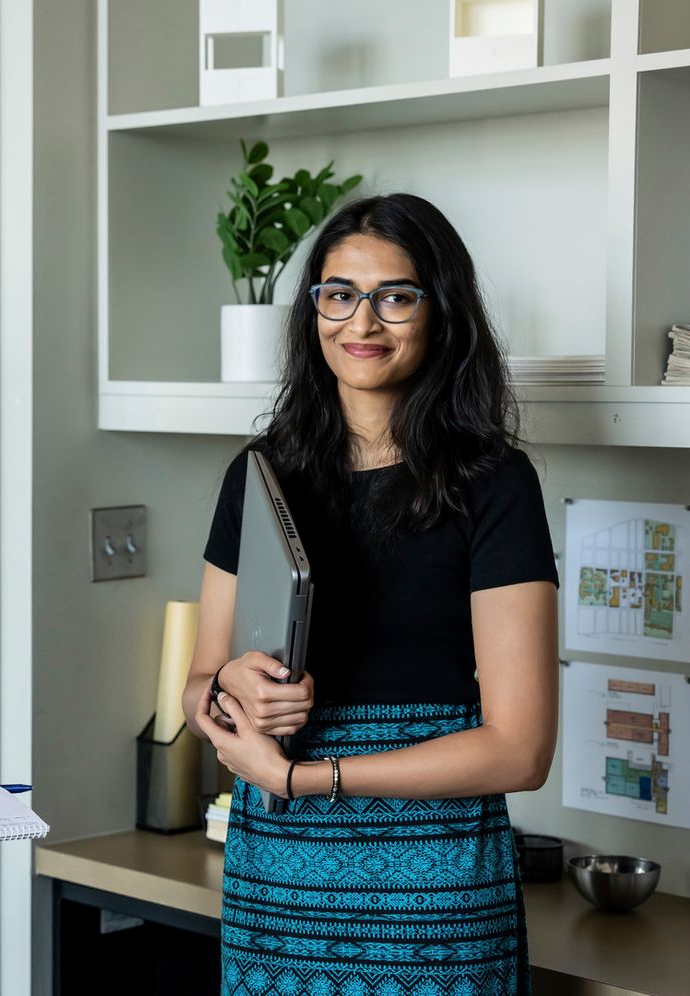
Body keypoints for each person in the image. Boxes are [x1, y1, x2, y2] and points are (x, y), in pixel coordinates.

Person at [182, 193, 558, 995]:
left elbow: (521, 751)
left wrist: (301, 780)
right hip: (279, 886)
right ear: (313, 306)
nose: (362, 323)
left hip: (435, 889)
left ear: (440, 311)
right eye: (338, 293)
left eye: (395, 296)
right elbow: (199, 686)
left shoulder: (494, 483)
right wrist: (225, 689)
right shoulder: (259, 473)